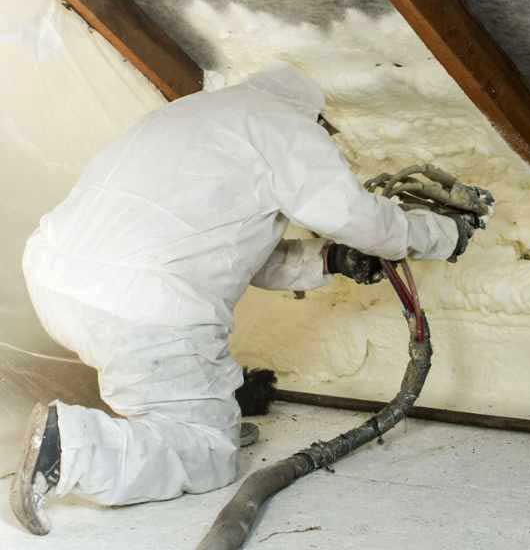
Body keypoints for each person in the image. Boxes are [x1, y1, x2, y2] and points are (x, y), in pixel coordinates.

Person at [10, 64, 479, 535]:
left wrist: (332, 260)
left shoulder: (188, 115)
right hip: (143, 305)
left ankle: (168, 422)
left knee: (173, 393)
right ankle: (71, 446)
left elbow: (238, 252)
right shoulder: (284, 126)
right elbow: (358, 217)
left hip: (57, 282)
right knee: (208, 453)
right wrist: (442, 234)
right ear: (312, 117)